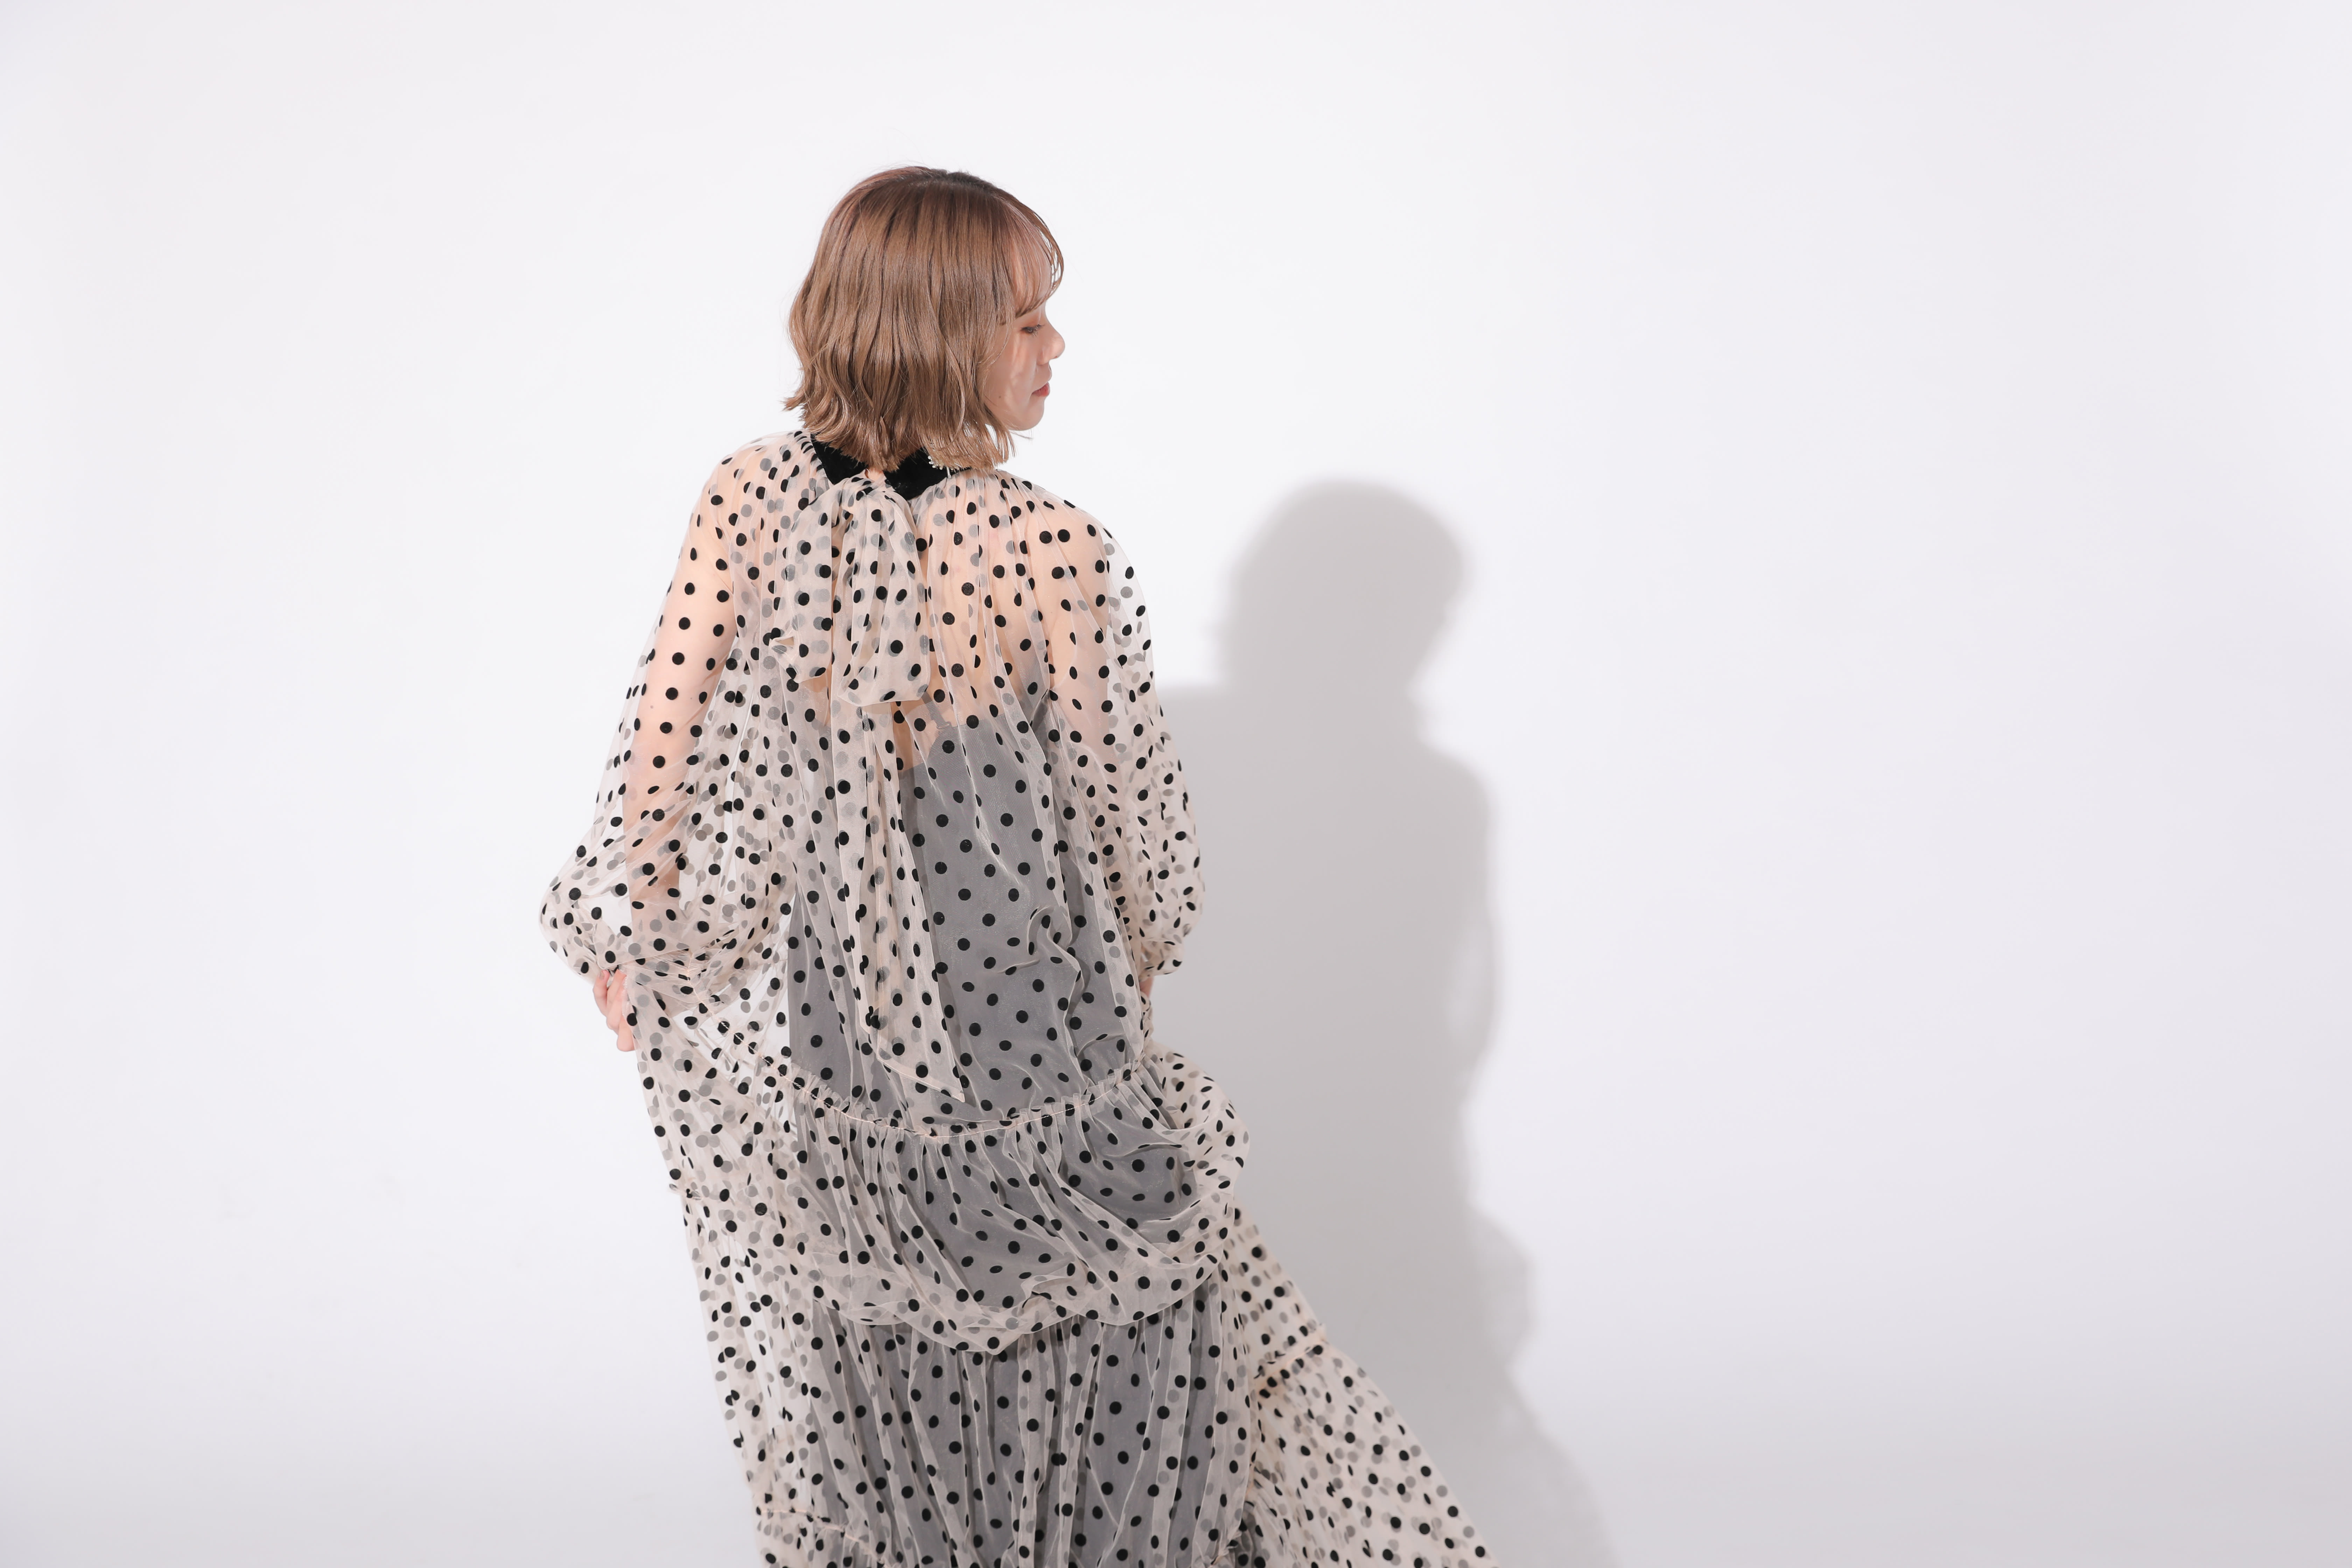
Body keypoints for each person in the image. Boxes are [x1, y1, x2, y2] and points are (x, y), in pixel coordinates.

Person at [539, 166, 1489, 1568]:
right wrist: (1149, 957)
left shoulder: (751, 498)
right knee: (1095, 1305)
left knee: (903, 1300)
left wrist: (631, 930)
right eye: (1027, 321)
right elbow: (1129, 817)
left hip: (862, 1010)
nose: (1056, 348)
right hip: (1030, 1007)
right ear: (940, 330)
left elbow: (662, 739)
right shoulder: (1048, 544)